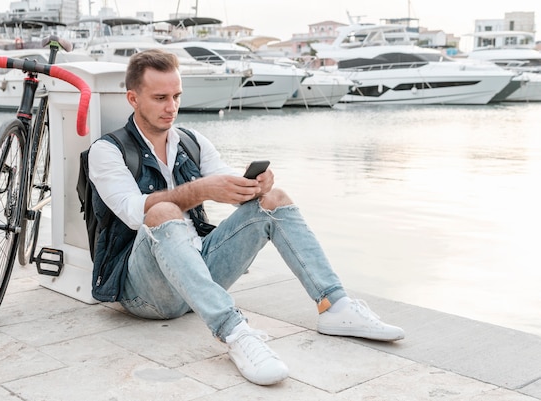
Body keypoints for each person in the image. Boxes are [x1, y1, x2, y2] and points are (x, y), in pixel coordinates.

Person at [87, 49, 405, 386]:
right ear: (133, 98)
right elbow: (133, 212)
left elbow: (226, 181)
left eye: (177, 96)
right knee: (161, 211)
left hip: (199, 276)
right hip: (145, 293)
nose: (172, 107)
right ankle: (236, 333)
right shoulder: (107, 151)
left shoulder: (192, 143)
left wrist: (254, 186)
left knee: (274, 199)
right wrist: (201, 190)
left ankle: (335, 306)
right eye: (161, 97)